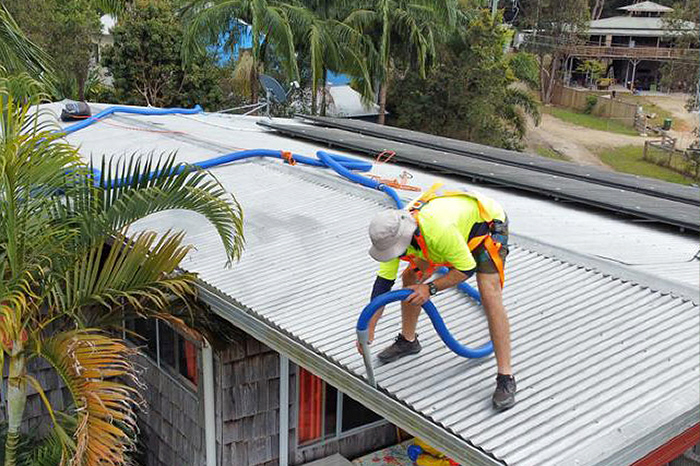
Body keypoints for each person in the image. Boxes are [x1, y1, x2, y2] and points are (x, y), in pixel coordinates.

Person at [362, 184, 516, 410]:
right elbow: (382, 286)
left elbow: (466, 269)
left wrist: (430, 288)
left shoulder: (437, 231)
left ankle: (506, 377)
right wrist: (369, 328)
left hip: (487, 226)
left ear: (405, 238)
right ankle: (408, 341)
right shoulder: (392, 236)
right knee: (411, 278)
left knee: (489, 292)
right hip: (448, 232)